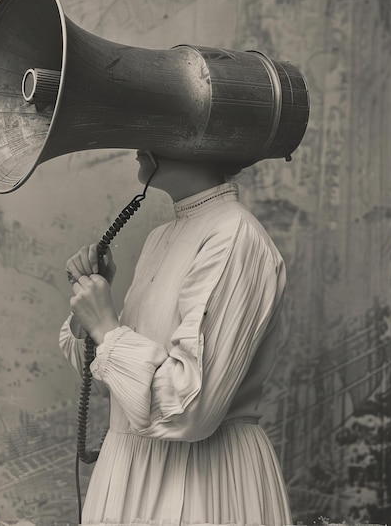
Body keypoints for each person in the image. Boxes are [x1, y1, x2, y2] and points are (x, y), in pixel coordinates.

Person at [60, 150, 292, 525]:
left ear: (196, 140)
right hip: (133, 476)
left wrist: (106, 327)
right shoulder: (160, 237)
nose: (137, 142)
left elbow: (191, 410)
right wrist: (92, 310)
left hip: (202, 483)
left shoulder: (234, 235)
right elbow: (115, 389)